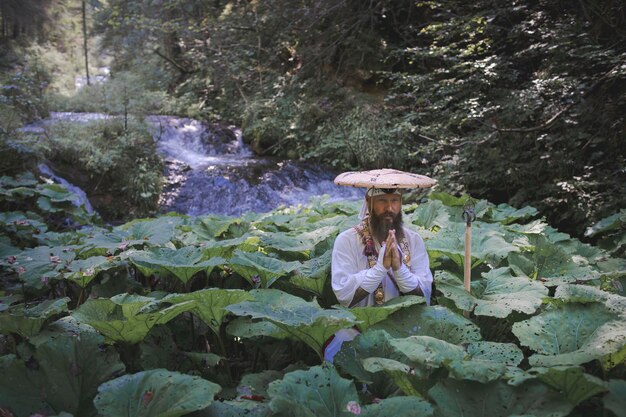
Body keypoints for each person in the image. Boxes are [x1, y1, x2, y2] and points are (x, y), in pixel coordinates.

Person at [324, 187, 433, 361]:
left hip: (406, 332)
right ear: (369, 202)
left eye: (395, 201)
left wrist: (399, 269)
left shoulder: (413, 240)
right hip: (359, 332)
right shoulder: (346, 240)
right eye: (382, 200)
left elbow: (425, 293)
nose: (390, 208)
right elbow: (344, 294)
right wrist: (380, 269)